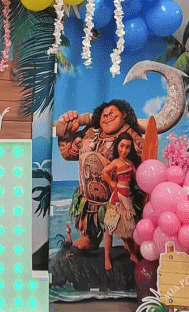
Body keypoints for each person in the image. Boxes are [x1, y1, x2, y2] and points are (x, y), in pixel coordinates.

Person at [58, 99, 144, 251]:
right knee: (88, 220)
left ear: (124, 115)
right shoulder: (90, 132)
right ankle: (89, 236)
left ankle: (130, 242)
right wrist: (67, 133)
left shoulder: (131, 136)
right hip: (89, 197)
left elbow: (143, 162)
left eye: (112, 113)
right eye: (104, 115)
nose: (107, 117)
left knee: (126, 224)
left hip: (119, 195)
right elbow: (69, 153)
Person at [101, 132, 141, 270]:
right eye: (122, 146)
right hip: (116, 199)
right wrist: (112, 183)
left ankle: (132, 254)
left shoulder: (130, 163)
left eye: (128, 147)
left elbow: (137, 176)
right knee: (109, 228)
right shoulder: (116, 163)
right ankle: (106, 258)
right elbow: (104, 172)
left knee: (129, 228)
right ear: (117, 146)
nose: (124, 150)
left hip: (127, 200)